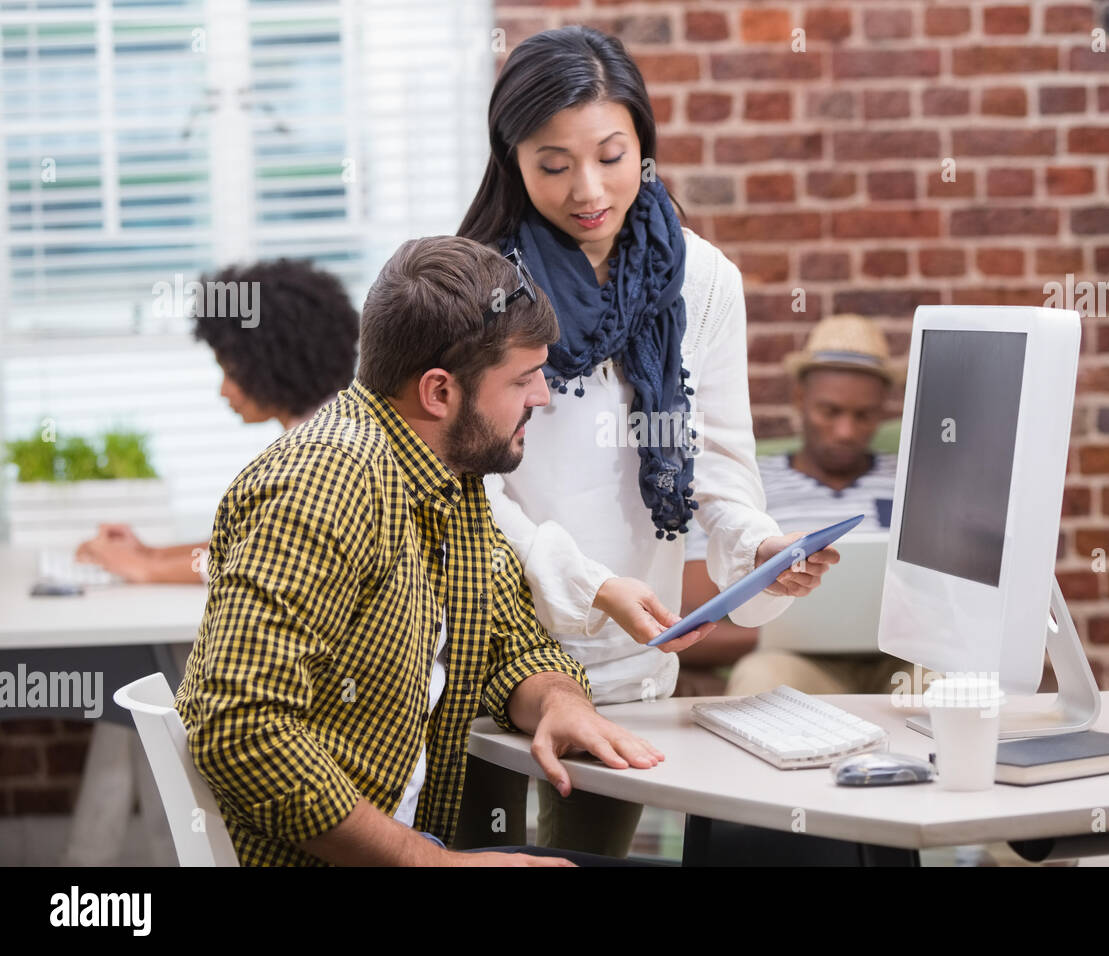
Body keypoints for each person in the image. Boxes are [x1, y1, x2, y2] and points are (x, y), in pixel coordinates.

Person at [454, 25, 838, 857]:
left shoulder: (701, 281)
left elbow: (721, 474)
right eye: (553, 164)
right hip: (480, 653)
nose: (588, 189)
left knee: (581, 858)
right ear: (512, 160)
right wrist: (590, 585)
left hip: (626, 671)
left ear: (645, 146)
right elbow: (463, 489)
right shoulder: (475, 287)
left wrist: (762, 549)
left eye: (612, 155)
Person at [174, 236, 661, 866]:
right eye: (521, 378)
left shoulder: (447, 476)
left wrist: (559, 702)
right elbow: (239, 729)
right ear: (439, 392)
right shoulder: (329, 481)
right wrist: (440, 865)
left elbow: (511, 640)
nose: (541, 396)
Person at [74, 258, 360, 584]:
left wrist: (144, 569)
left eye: (230, 372)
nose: (223, 391)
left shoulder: (322, 454)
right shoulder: (327, 429)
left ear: (272, 365)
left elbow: (259, 561)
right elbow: (246, 542)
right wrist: (151, 553)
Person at [677, 314, 913, 697]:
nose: (845, 432)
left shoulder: (911, 480)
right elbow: (692, 618)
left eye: (864, 415)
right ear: (800, 399)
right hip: (792, 661)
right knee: (760, 682)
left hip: (901, 662)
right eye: (830, 411)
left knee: (949, 688)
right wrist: (792, 631)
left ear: (883, 409)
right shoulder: (743, 485)